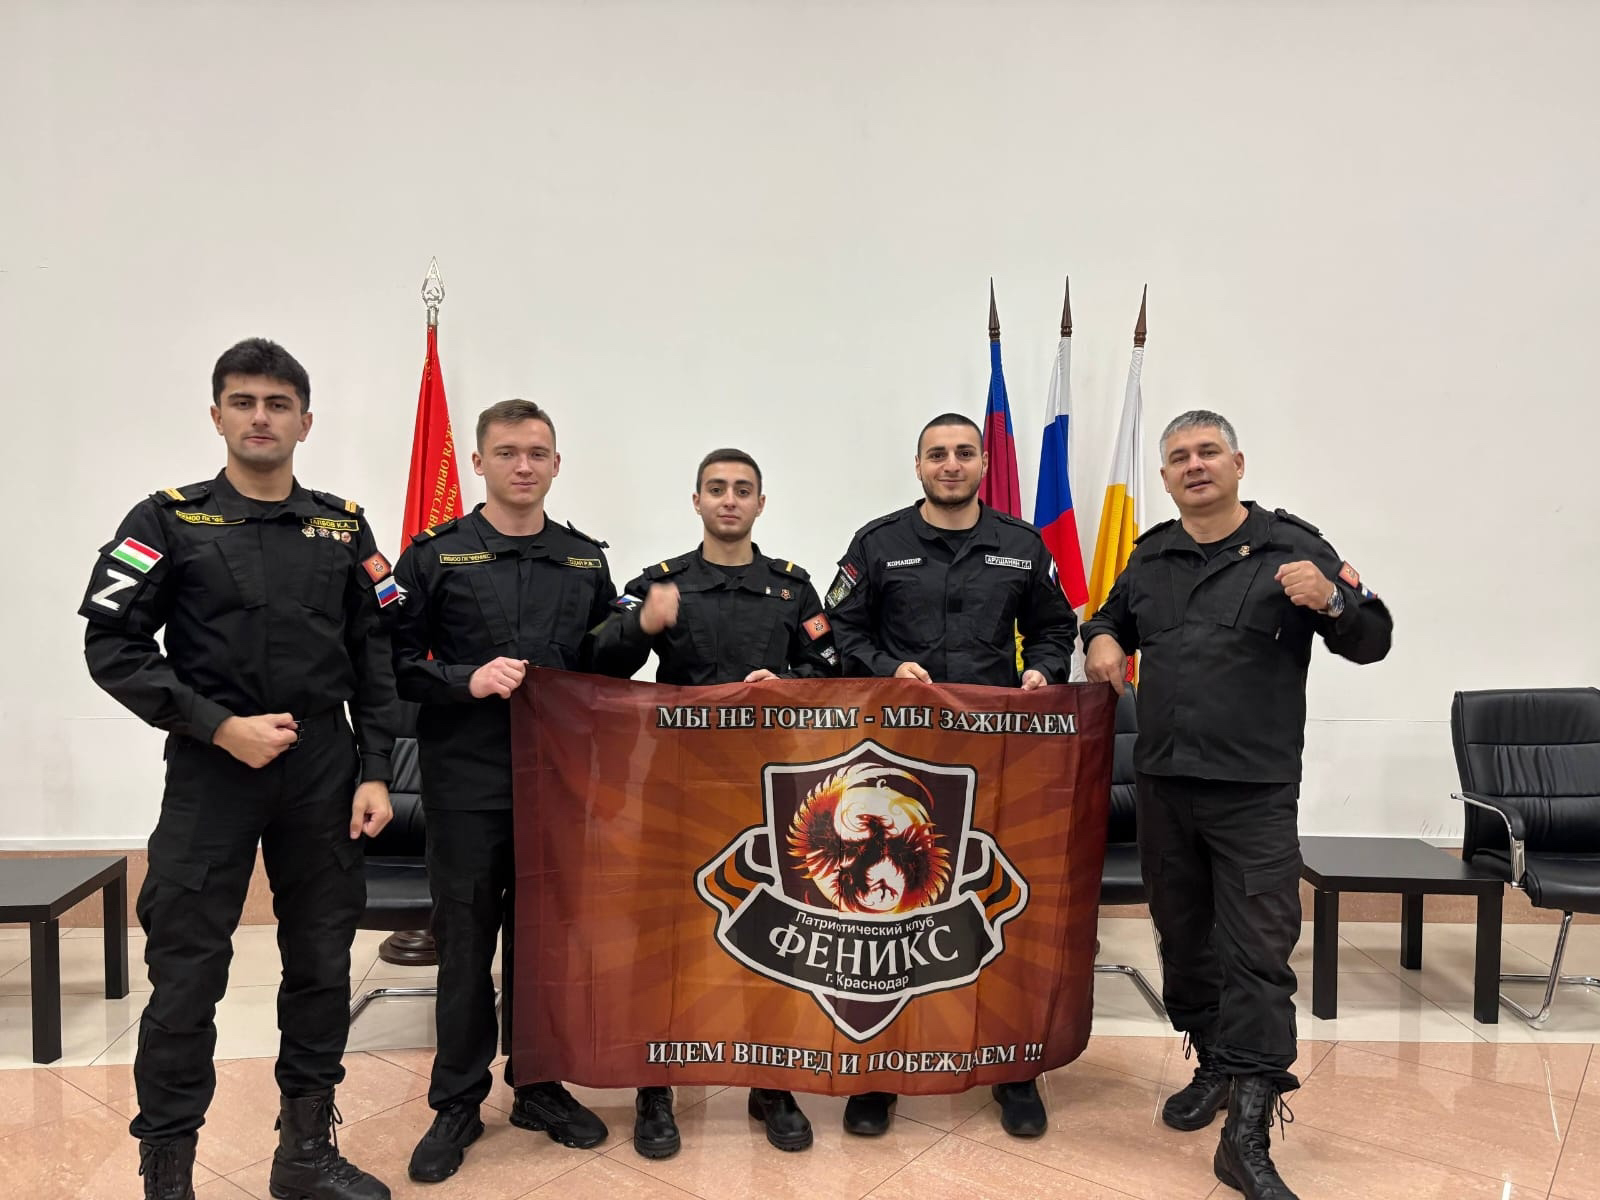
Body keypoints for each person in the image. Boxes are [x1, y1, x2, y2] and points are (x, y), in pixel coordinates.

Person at [81, 338, 398, 1200]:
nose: (262, 417)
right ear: (217, 415)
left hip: (324, 767)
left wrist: (375, 768)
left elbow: (376, 651)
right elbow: (112, 645)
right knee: (187, 972)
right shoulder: (167, 520)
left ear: (305, 421)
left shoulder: (342, 526)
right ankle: (168, 1174)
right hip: (212, 767)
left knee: (322, 962)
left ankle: (305, 1155)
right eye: (245, 401)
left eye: (278, 403)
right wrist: (218, 726)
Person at [1081, 410, 1392, 1200]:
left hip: (1254, 792)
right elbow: (1110, 615)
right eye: (1179, 456)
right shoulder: (1151, 554)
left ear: (1238, 463)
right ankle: (1215, 1063)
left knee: (1257, 954)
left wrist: (1331, 601)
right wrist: (1102, 639)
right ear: (1165, 477)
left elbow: (1374, 638)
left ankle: (1247, 1130)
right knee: (1184, 943)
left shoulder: (1294, 547)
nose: (1195, 465)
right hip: (1164, 785)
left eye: (1208, 452)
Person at [824, 412, 1078, 1140]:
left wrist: (1043, 670)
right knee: (887, 911)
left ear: (983, 465)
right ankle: (878, 1071)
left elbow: (1056, 628)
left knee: (992, 907)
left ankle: (1011, 1068)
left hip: (995, 757)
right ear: (918, 466)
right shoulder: (877, 544)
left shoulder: (1022, 546)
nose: (951, 464)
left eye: (965, 452)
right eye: (937, 453)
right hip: (892, 759)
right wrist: (885, 668)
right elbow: (840, 629)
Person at [387, 399, 618, 1185]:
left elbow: (604, 667)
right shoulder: (433, 556)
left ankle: (539, 1086)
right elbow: (392, 665)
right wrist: (465, 678)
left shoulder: (585, 561)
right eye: (509, 452)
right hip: (467, 782)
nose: (524, 465)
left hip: (558, 782)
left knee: (546, 943)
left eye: (538, 452)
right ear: (479, 463)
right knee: (465, 943)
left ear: (557, 464)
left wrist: (648, 628)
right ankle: (457, 1101)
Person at [592, 447, 839, 1159]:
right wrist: (642, 626)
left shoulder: (793, 588)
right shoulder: (658, 583)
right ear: (696, 501)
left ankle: (772, 1080)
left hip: (771, 791)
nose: (729, 500)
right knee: (665, 936)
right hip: (675, 785)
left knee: (775, 933)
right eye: (717, 489)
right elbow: (596, 657)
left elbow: (831, 667)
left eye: (742, 489)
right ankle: (655, 1087)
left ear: (761, 503)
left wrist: (787, 682)